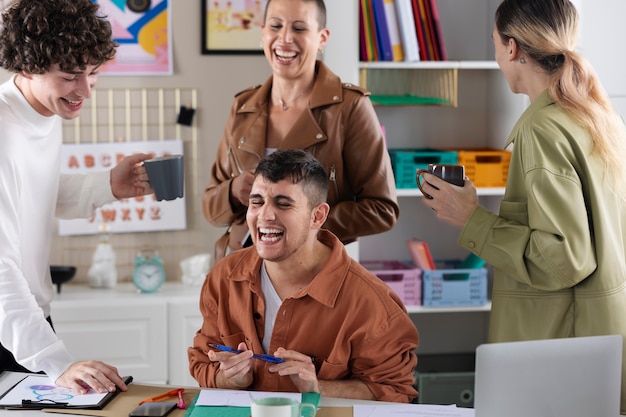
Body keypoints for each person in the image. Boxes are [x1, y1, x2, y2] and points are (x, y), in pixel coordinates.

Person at [418, 0, 626, 412]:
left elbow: (566, 257)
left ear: (512, 49)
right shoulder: (595, 114)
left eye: (494, 43)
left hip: (558, 347)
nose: (497, 54)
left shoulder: (542, 129)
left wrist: (472, 220)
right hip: (599, 337)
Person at [0, 0, 154, 394]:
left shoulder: (43, 111)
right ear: (28, 66)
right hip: (9, 322)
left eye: (92, 73)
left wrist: (109, 185)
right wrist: (56, 361)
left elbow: (33, 192)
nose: (85, 90)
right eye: (71, 76)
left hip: (27, 318)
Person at [189, 149, 418, 403]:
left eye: (283, 204)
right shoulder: (224, 277)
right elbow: (202, 362)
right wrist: (230, 380)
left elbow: (395, 393)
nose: (265, 215)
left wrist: (318, 388)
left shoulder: (374, 305)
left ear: (317, 216)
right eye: (256, 202)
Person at [203, 0, 399, 261]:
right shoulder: (242, 106)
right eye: (275, 26)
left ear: (322, 38)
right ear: (263, 33)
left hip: (312, 273)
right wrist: (233, 190)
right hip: (240, 271)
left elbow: (381, 210)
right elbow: (210, 205)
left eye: (299, 28)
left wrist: (303, 225)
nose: (284, 39)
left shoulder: (350, 107)